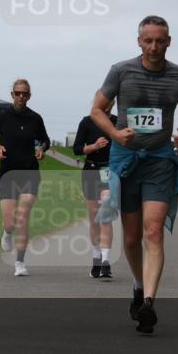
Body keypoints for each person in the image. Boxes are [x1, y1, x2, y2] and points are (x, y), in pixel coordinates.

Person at [90, 15, 178, 334]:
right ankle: (138, 285)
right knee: (133, 237)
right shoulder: (121, 71)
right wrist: (115, 133)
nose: (153, 47)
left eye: (159, 41)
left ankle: (149, 302)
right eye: (147, 41)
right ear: (139, 42)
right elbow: (96, 109)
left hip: (160, 160)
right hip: (125, 160)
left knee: (153, 231)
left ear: (168, 41)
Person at [0, 79, 50, 277]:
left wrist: (41, 148)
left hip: (29, 171)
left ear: (29, 96)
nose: (21, 96)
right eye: (18, 93)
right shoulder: (3, 118)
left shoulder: (35, 118)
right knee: (10, 222)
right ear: (12, 94)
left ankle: (20, 263)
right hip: (8, 172)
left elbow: (45, 139)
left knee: (23, 217)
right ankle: (7, 232)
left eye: (25, 93)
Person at [73, 108, 118, 278]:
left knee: (106, 215)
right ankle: (96, 259)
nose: (107, 104)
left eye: (110, 101)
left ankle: (106, 262)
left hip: (110, 171)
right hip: (91, 170)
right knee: (94, 218)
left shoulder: (117, 121)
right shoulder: (87, 122)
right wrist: (94, 146)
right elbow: (77, 149)